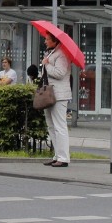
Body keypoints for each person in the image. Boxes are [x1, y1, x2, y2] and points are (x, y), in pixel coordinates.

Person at [40, 31, 73, 167]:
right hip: (50, 93)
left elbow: (60, 73)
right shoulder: (52, 53)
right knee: (51, 126)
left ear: (55, 41)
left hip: (59, 95)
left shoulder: (62, 54)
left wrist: (47, 64)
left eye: (47, 39)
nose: (45, 41)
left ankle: (63, 158)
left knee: (60, 126)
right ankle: (57, 155)